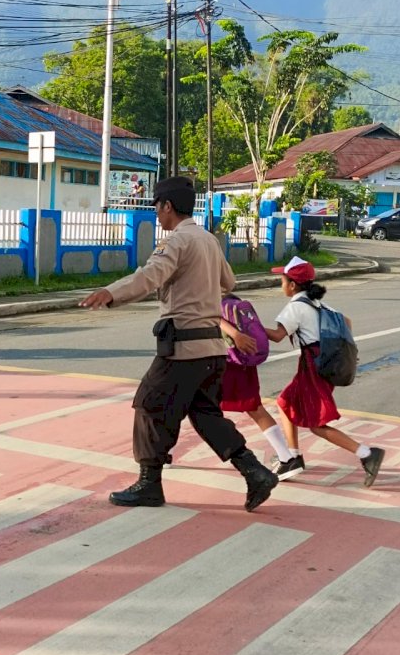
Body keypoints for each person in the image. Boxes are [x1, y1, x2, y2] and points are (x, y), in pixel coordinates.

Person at [80, 175, 279, 513]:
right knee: (205, 414)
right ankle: (254, 471)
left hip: (183, 350)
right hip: (213, 350)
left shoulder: (176, 242)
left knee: (148, 404)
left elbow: (149, 276)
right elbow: (228, 281)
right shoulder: (208, 241)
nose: (157, 215)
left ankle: (149, 483)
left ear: (167, 206)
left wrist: (111, 293)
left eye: (158, 207)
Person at [262, 255, 385, 487]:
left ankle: (367, 454)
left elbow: (277, 336)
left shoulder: (296, 306)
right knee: (285, 401)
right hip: (321, 363)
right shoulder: (317, 303)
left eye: (282, 280)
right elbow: (346, 321)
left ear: (293, 285)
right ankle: (293, 456)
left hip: (313, 367)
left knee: (316, 423)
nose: (281, 285)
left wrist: (251, 326)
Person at [219, 317, 301, 480]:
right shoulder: (235, 303)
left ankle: (165, 453)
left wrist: (235, 334)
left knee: (191, 403)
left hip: (225, 361)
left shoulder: (212, 300)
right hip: (242, 359)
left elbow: (213, 316)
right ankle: (286, 457)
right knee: (254, 407)